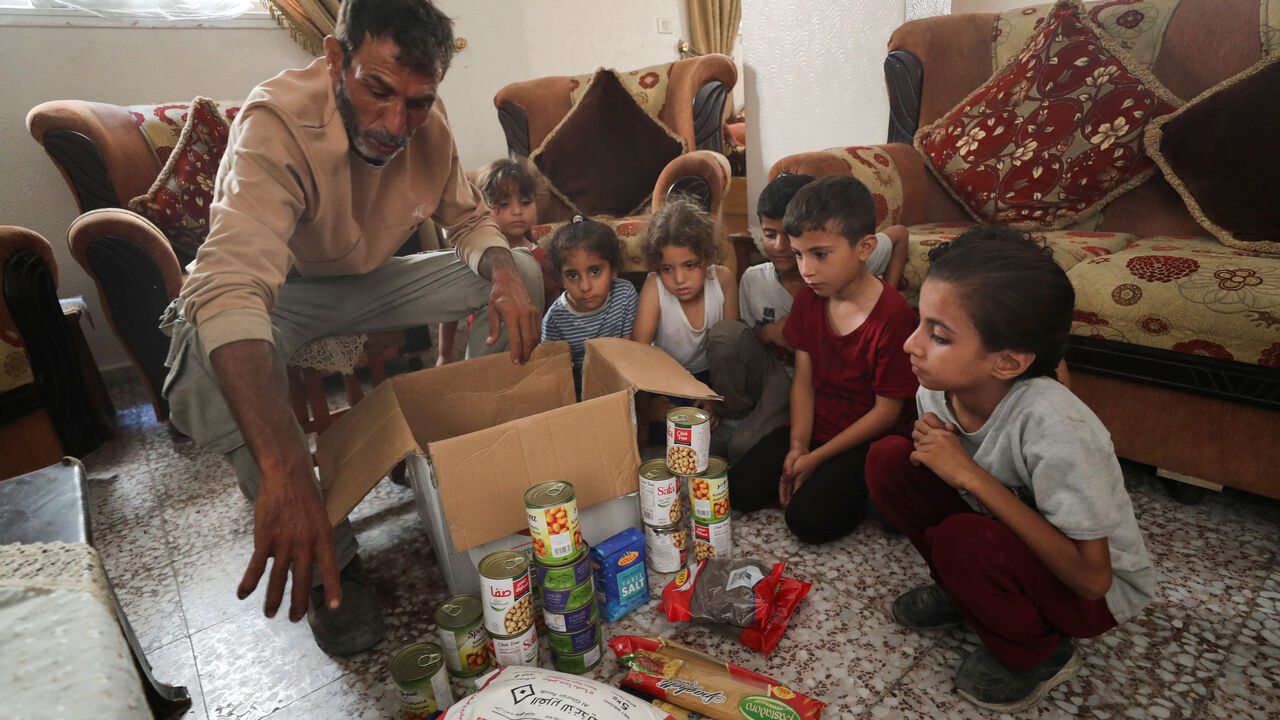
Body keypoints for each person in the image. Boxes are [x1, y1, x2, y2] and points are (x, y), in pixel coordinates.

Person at [158, 0, 544, 656]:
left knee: (525, 276)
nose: (396, 123)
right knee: (202, 355)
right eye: (377, 90)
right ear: (336, 60)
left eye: (418, 102)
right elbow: (231, 286)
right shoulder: (274, 123)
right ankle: (329, 561)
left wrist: (503, 269)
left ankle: (461, 466)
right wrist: (284, 465)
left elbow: (468, 220)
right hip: (288, 294)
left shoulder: (428, 125)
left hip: (376, 281)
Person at [864, 226, 1154, 713]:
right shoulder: (936, 387)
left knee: (964, 538)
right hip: (1004, 541)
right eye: (920, 322)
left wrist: (971, 476)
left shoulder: (1056, 427)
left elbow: (1092, 580)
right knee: (888, 460)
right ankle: (967, 592)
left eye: (938, 335)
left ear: (1008, 362)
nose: (911, 345)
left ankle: (1039, 655)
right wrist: (943, 460)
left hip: (1091, 595)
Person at [728, 175, 917, 544]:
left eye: (820, 255)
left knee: (809, 522)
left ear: (864, 248)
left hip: (866, 439)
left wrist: (816, 460)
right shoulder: (809, 301)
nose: (806, 269)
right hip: (816, 427)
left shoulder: (894, 316)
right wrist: (799, 446)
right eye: (799, 255)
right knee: (738, 489)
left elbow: (887, 413)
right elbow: (803, 380)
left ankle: (874, 494)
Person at [437, 158, 560, 365]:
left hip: (531, 353)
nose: (517, 211)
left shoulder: (541, 256)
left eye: (526, 202)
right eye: (504, 204)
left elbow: (552, 306)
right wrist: (444, 353)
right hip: (486, 347)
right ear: (483, 208)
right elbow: (450, 309)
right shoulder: (478, 258)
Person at [632, 194, 739, 429]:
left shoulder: (723, 280)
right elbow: (638, 354)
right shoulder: (655, 286)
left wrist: (716, 398)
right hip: (667, 380)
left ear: (707, 257)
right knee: (669, 429)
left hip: (711, 377)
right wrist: (646, 407)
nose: (679, 279)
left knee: (715, 423)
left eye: (690, 265)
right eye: (667, 268)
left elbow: (733, 351)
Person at [540, 216, 638, 397]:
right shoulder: (555, 320)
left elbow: (630, 353)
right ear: (560, 278)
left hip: (624, 389)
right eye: (572, 275)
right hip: (579, 399)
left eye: (595, 272)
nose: (585, 286)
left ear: (614, 269)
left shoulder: (625, 295)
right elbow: (554, 376)